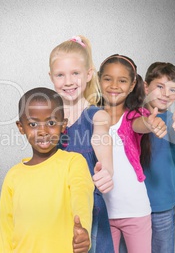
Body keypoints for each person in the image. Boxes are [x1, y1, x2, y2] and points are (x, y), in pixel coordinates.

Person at [0, 87, 94, 253]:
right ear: (21, 127)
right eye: (33, 124)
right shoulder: (13, 176)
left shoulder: (73, 163)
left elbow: (82, 199)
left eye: (51, 123)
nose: (42, 131)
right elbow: (5, 231)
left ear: (63, 125)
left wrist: (83, 230)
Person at [48, 35, 114, 252]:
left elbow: (102, 137)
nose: (68, 81)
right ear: (51, 77)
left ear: (88, 74)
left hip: (86, 207)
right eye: (60, 75)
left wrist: (107, 168)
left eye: (75, 73)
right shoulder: (50, 117)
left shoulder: (96, 115)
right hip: (56, 206)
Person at [97, 54, 167, 253]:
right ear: (99, 80)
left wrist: (152, 123)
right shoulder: (90, 116)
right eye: (108, 79)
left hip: (135, 210)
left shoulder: (135, 116)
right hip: (102, 212)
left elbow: (140, 125)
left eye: (122, 81)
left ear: (131, 85)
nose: (114, 85)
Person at [143, 62, 175, 253]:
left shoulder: (174, 120)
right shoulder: (134, 118)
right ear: (146, 87)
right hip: (134, 204)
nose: (165, 94)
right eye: (159, 87)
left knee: (162, 248)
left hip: (163, 202)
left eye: (172, 89)